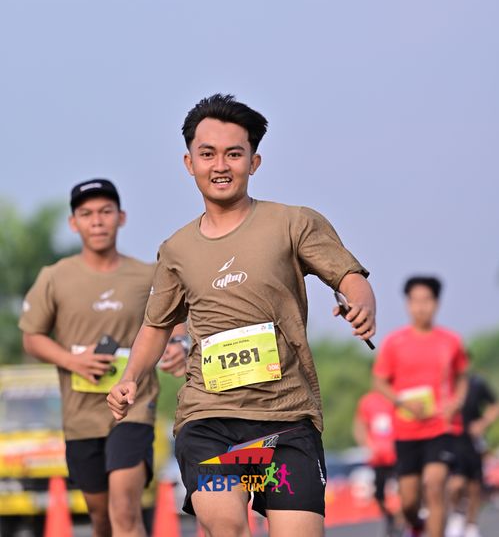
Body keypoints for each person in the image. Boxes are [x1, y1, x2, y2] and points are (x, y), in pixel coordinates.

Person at [107, 93, 376, 537]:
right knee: (226, 521)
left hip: (286, 421)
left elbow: (348, 276)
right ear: (189, 162)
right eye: (207, 154)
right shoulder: (176, 250)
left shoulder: (293, 223)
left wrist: (361, 303)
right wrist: (130, 377)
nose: (220, 165)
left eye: (234, 154)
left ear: (254, 162)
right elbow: (156, 325)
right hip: (210, 421)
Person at [19, 179, 187, 537]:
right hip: (81, 416)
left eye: (105, 211)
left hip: (132, 409)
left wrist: (179, 345)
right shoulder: (54, 277)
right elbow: (32, 338)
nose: (97, 221)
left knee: (125, 508)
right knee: (101, 518)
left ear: (121, 217)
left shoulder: (147, 275)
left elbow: (174, 323)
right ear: (73, 222)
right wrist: (73, 361)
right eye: (87, 214)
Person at [373, 277, 468, 537]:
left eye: (426, 300)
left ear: (436, 303)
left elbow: (462, 376)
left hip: (441, 427)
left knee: (435, 486)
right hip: (406, 430)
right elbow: (379, 381)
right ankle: (415, 524)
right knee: (409, 502)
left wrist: (457, 402)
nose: (420, 307)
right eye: (414, 301)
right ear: (407, 304)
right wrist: (401, 402)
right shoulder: (394, 342)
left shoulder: (450, 341)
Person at [446, 368, 499, 537]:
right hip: (450, 440)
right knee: (456, 484)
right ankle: (457, 513)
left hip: (472, 441)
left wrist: (483, 423)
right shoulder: (444, 383)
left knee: (474, 486)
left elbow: (495, 405)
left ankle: (471, 524)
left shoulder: (477, 384)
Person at [353, 390, 400, 536]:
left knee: (404, 492)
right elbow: (359, 426)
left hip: (398, 456)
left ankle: (402, 522)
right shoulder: (368, 401)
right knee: (379, 495)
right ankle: (390, 518)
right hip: (378, 458)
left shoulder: (397, 397)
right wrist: (367, 445)